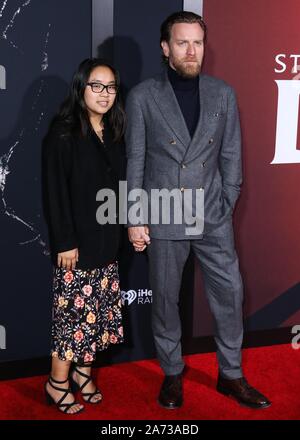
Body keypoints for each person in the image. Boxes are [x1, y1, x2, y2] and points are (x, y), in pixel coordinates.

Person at [125, 11, 271, 409]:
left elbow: (231, 156)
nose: (192, 51)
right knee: (165, 299)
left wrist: (226, 203)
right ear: (165, 48)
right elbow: (135, 160)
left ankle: (232, 375)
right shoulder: (142, 97)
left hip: (212, 214)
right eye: (183, 42)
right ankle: (172, 374)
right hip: (165, 212)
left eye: (198, 42)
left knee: (230, 293)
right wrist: (136, 216)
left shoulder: (223, 93)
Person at [42, 58, 125, 414]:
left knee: (95, 317)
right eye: (96, 86)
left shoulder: (115, 131)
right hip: (75, 246)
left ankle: (82, 373)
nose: (104, 94)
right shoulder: (62, 133)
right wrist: (65, 241)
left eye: (110, 87)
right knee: (72, 318)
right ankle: (56, 382)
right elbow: (54, 192)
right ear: (81, 88)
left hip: (107, 241)